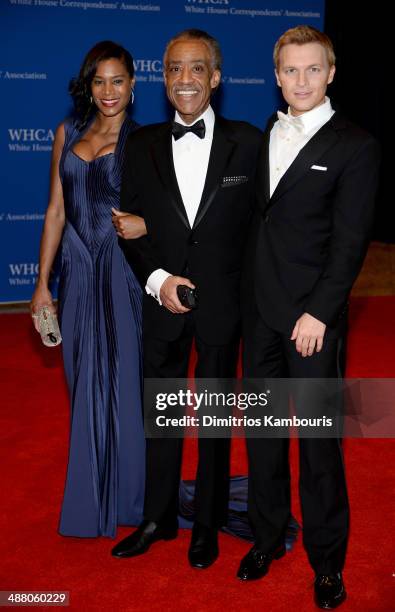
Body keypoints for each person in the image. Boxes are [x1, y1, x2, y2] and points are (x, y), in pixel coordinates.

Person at [239, 25, 380, 608]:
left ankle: (328, 562)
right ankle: (267, 536)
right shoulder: (257, 138)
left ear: (331, 72)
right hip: (259, 315)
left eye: (311, 70)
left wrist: (320, 313)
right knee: (264, 438)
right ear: (276, 75)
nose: (300, 80)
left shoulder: (355, 145)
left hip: (312, 325)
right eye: (290, 70)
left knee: (320, 446)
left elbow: (350, 242)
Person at [111, 29, 263, 568]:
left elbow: (261, 230)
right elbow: (129, 228)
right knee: (164, 418)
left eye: (197, 68)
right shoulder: (143, 144)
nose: (185, 79)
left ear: (216, 78)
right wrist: (158, 280)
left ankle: (208, 523)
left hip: (224, 306)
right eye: (175, 68)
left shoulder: (250, 142)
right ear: (163, 79)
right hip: (162, 303)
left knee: (218, 421)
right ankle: (157, 518)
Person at [30, 41, 146, 538]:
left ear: (133, 85)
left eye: (117, 80)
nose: (108, 91)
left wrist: (145, 227)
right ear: (88, 85)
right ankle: (89, 496)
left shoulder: (145, 141)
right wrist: (41, 284)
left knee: (124, 384)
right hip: (76, 271)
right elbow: (56, 210)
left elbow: (161, 216)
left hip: (123, 272)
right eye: (99, 81)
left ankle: (129, 500)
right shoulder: (68, 132)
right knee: (82, 381)